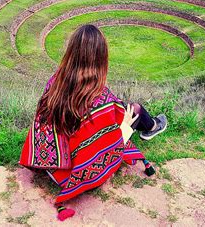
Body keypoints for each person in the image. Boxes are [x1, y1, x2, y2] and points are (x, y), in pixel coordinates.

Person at [19, 24, 167, 221]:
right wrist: (123, 130)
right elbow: (103, 148)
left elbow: (44, 125)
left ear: (71, 52)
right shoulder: (99, 97)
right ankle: (151, 127)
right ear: (100, 57)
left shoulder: (55, 82)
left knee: (119, 109)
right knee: (135, 110)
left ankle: (150, 125)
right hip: (82, 172)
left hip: (53, 165)